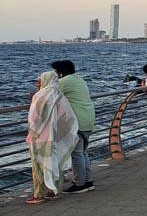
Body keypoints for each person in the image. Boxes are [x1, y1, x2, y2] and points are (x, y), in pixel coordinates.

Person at [25, 71, 79, 204]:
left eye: (39, 81)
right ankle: (53, 191)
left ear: (46, 81)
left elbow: (34, 118)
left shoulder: (40, 96)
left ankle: (38, 195)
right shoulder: (59, 96)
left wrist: (33, 131)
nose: (38, 83)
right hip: (54, 138)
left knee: (38, 167)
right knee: (54, 163)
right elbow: (68, 117)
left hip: (39, 139)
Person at [52, 60, 96, 194]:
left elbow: (50, 95)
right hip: (88, 119)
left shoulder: (64, 82)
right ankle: (87, 181)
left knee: (76, 154)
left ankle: (80, 184)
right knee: (83, 152)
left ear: (61, 72)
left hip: (77, 121)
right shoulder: (79, 79)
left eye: (56, 72)